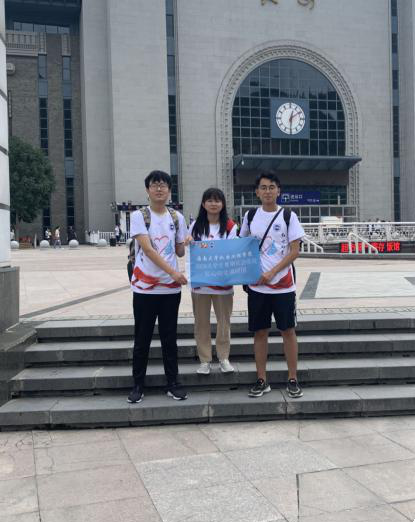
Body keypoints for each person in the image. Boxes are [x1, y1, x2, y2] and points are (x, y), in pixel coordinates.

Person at [239, 172, 305, 399]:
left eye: (272, 187)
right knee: (260, 332)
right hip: (258, 286)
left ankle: (293, 378)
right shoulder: (250, 216)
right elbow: (242, 245)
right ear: (257, 192)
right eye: (263, 187)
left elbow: (295, 251)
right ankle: (261, 379)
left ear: (279, 191)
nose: (267, 191)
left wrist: (272, 272)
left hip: (283, 285)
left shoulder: (288, 216)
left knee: (288, 331)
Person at [127, 170, 189, 404]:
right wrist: (173, 272)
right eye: (155, 185)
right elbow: (149, 250)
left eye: (164, 185)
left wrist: (186, 242)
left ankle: (173, 383)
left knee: (169, 338)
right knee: (142, 338)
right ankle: (138, 385)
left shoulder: (177, 217)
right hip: (145, 288)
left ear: (170, 190)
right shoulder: (139, 216)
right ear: (148, 190)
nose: (159, 189)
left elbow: (179, 251)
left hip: (170, 290)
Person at [187, 188, 237, 375]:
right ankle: (205, 360)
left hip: (223, 284)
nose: (213, 204)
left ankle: (223, 358)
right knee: (201, 323)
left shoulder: (230, 226)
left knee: (224, 323)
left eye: (217, 200)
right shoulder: (195, 226)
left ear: (223, 204)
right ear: (203, 204)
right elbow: (189, 249)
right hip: (200, 284)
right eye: (209, 200)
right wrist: (188, 241)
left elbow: (233, 251)